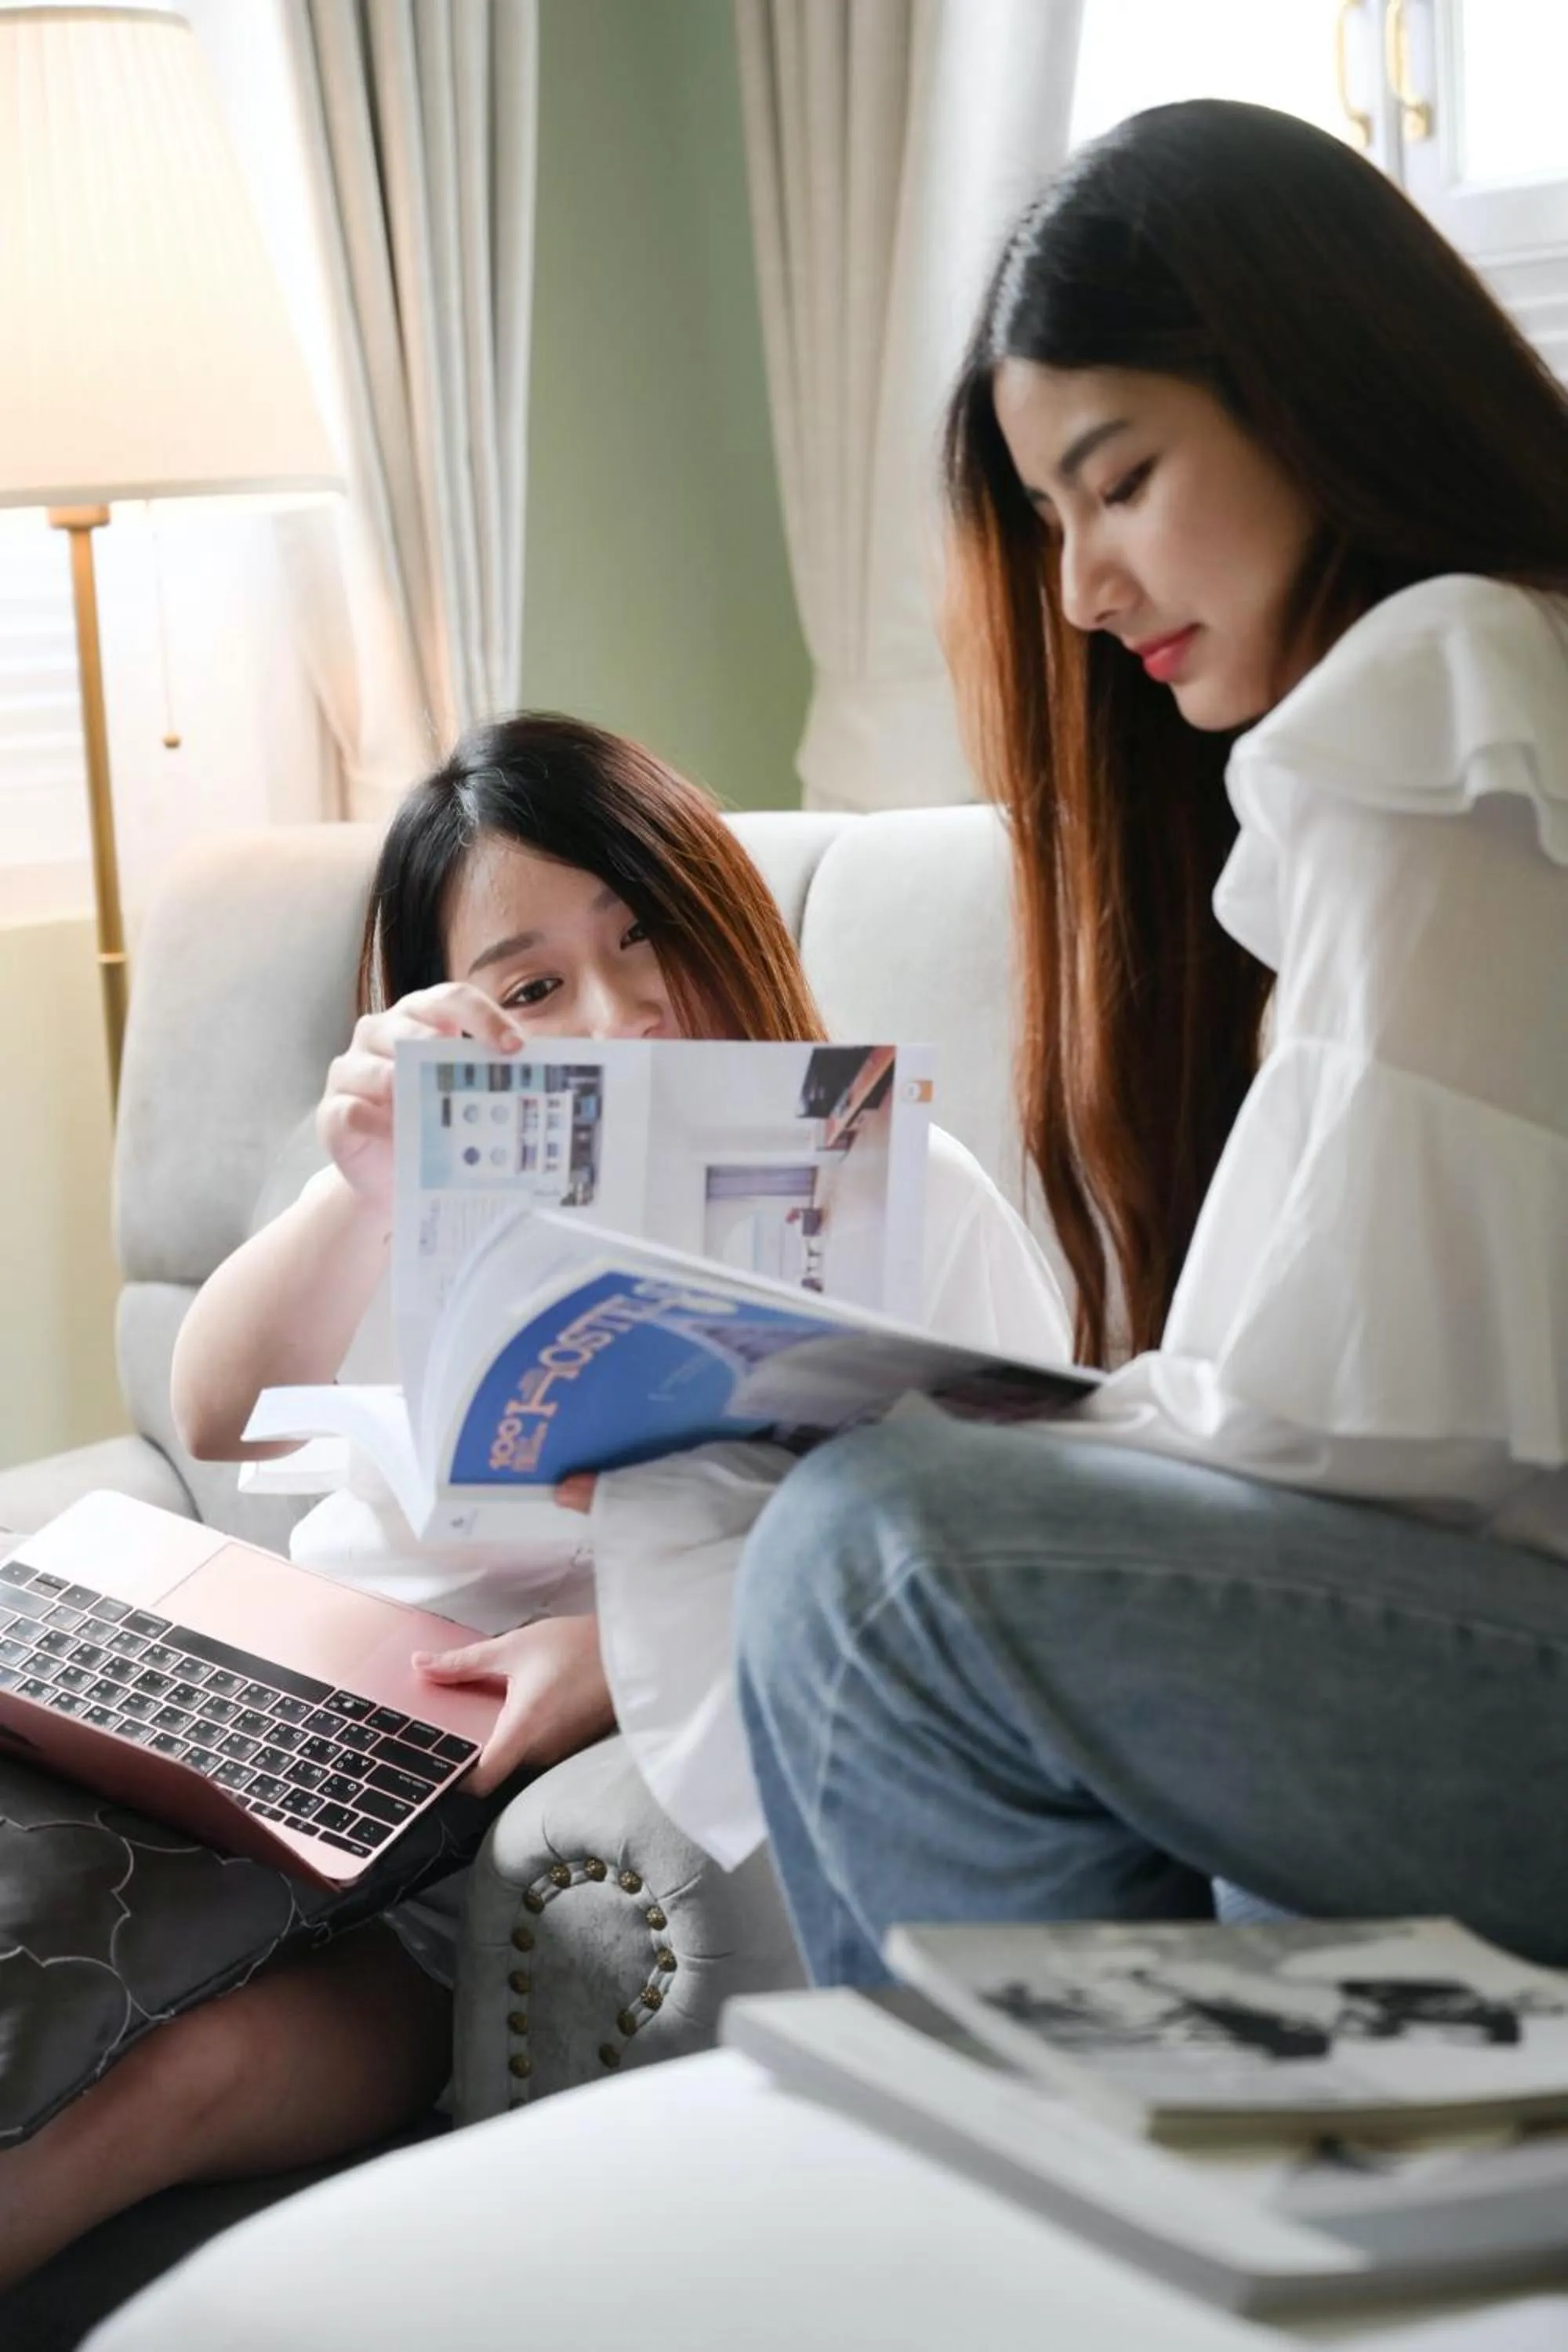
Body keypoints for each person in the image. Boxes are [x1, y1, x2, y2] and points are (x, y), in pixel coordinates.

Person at [0, 714, 1068, 2289]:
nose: (621, 1016)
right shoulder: (432, 1189)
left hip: (473, 1848)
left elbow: (992, 1532)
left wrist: (608, 1656)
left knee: (173, 2086)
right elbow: (215, 1407)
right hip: (319, 1728)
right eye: (532, 985)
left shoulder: (914, 1190)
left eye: (646, 941)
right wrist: (360, 1182)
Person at [734, 98, 1568, 1989]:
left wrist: (1010, 1424)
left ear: (1312, 391)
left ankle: (1062, 2237)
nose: (1080, 591)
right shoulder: (1499, 674)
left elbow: (1359, 1437)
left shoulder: (1433, 698)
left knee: (874, 1551)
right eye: (1048, 518)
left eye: (1118, 483)